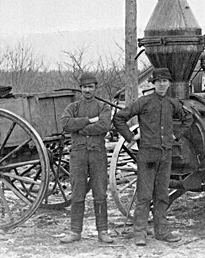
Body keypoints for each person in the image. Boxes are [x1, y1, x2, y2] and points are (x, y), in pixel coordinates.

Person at [113, 68, 192, 245]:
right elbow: (119, 118)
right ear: (153, 83)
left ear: (169, 83)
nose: (162, 84)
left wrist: (176, 135)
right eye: (159, 81)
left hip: (166, 154)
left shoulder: (173, 103)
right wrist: (130, 137)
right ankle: (139, 233)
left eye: (165, 81)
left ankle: (161, 231)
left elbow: (188, 119)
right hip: (147, 155)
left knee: (162, 195)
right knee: (144, 195)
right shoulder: (144, 102)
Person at [59, 73, 114, 244]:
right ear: (80, 89)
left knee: (100, 192)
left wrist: (80, 128)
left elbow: (104, 125)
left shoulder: (103, 107)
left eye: (90, 87)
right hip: (78, 155)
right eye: (84, 87)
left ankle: (103, 231)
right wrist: (88, 121)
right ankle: (75, 231)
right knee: (77, 193)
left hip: (97, 154)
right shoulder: (73, 107)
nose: (87, 90)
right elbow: (66, 124)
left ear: (95, 88)